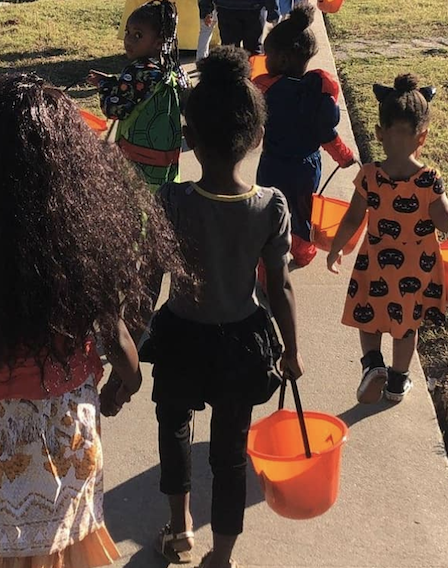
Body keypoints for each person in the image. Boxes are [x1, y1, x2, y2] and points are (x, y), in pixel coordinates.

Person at [0, 73, 187, 568]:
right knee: (63, 547)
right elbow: (119, 340)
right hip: (66, 437)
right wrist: (127, 382)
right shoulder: (82, 249)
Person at [136, 47, 303, 568]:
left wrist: (133, 334)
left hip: (183, 335)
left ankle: (179, 525)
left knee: (174, 428)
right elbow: (279, 289)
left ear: (188, 139)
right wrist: (292, 351)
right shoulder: (271, 206)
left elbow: (150, 279)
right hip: (241, 342)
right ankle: (222, 555)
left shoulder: (173, 202)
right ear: (256, 138)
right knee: (230, 455)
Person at [327, 74, 448, 404]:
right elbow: (445, 221)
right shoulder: (428, 179)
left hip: (375, 258)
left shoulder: (369, 175)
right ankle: (397, 383)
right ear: (422, 137)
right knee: (406, 325)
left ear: (379, 134)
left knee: (368, 315)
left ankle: (372, 365)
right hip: (416, 266)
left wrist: (335, 249)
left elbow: (353, 217)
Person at [254, 3, 356, 267]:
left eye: (269, 55)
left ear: (284, 59)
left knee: (269, 210)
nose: (265, 61)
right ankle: (303, 252)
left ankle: (269, 262)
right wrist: (344, 156)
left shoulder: (265, 89)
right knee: (302, 213)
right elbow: (327, 134)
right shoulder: (318, 92)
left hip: (273, 164)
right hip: (306, 168)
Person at [88, 0, 189, 190]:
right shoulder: (174, 71)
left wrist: (103, 86)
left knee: (136, 205)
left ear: (158, 43)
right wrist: (113, 82)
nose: (128, 40)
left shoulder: (137, 72)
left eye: (138, 35)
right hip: (167, 159)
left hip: (135, 160)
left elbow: (115, 109)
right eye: (127, 32)